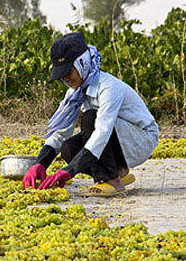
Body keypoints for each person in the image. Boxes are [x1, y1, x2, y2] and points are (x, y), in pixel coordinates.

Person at [22, 32, 159, 196]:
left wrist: (70, 170)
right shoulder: (74, 93)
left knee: (90, 118)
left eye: (68, 71)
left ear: (82, 63)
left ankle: (112, 181)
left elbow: (102, 131)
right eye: (61, 74)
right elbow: (61, 134)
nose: (66, 78)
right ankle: (120, 172)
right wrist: (40, 163)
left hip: (141, 138)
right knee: (68, 148)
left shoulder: (108, 87)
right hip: (118, 138)